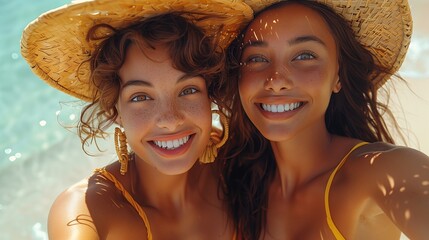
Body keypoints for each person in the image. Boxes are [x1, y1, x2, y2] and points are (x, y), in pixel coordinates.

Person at [21, 0, 252, 239]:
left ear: (209, 96)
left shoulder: (238, 159)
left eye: (188, 90)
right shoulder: (86, 212)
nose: (170, 120)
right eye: (141, 97)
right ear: (115, 111)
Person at [220, 0, 429, 239]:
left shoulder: (385, 168)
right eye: (256, 58)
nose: (276, 80)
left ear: (337, 75)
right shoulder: (230, 184)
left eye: (304, 55)